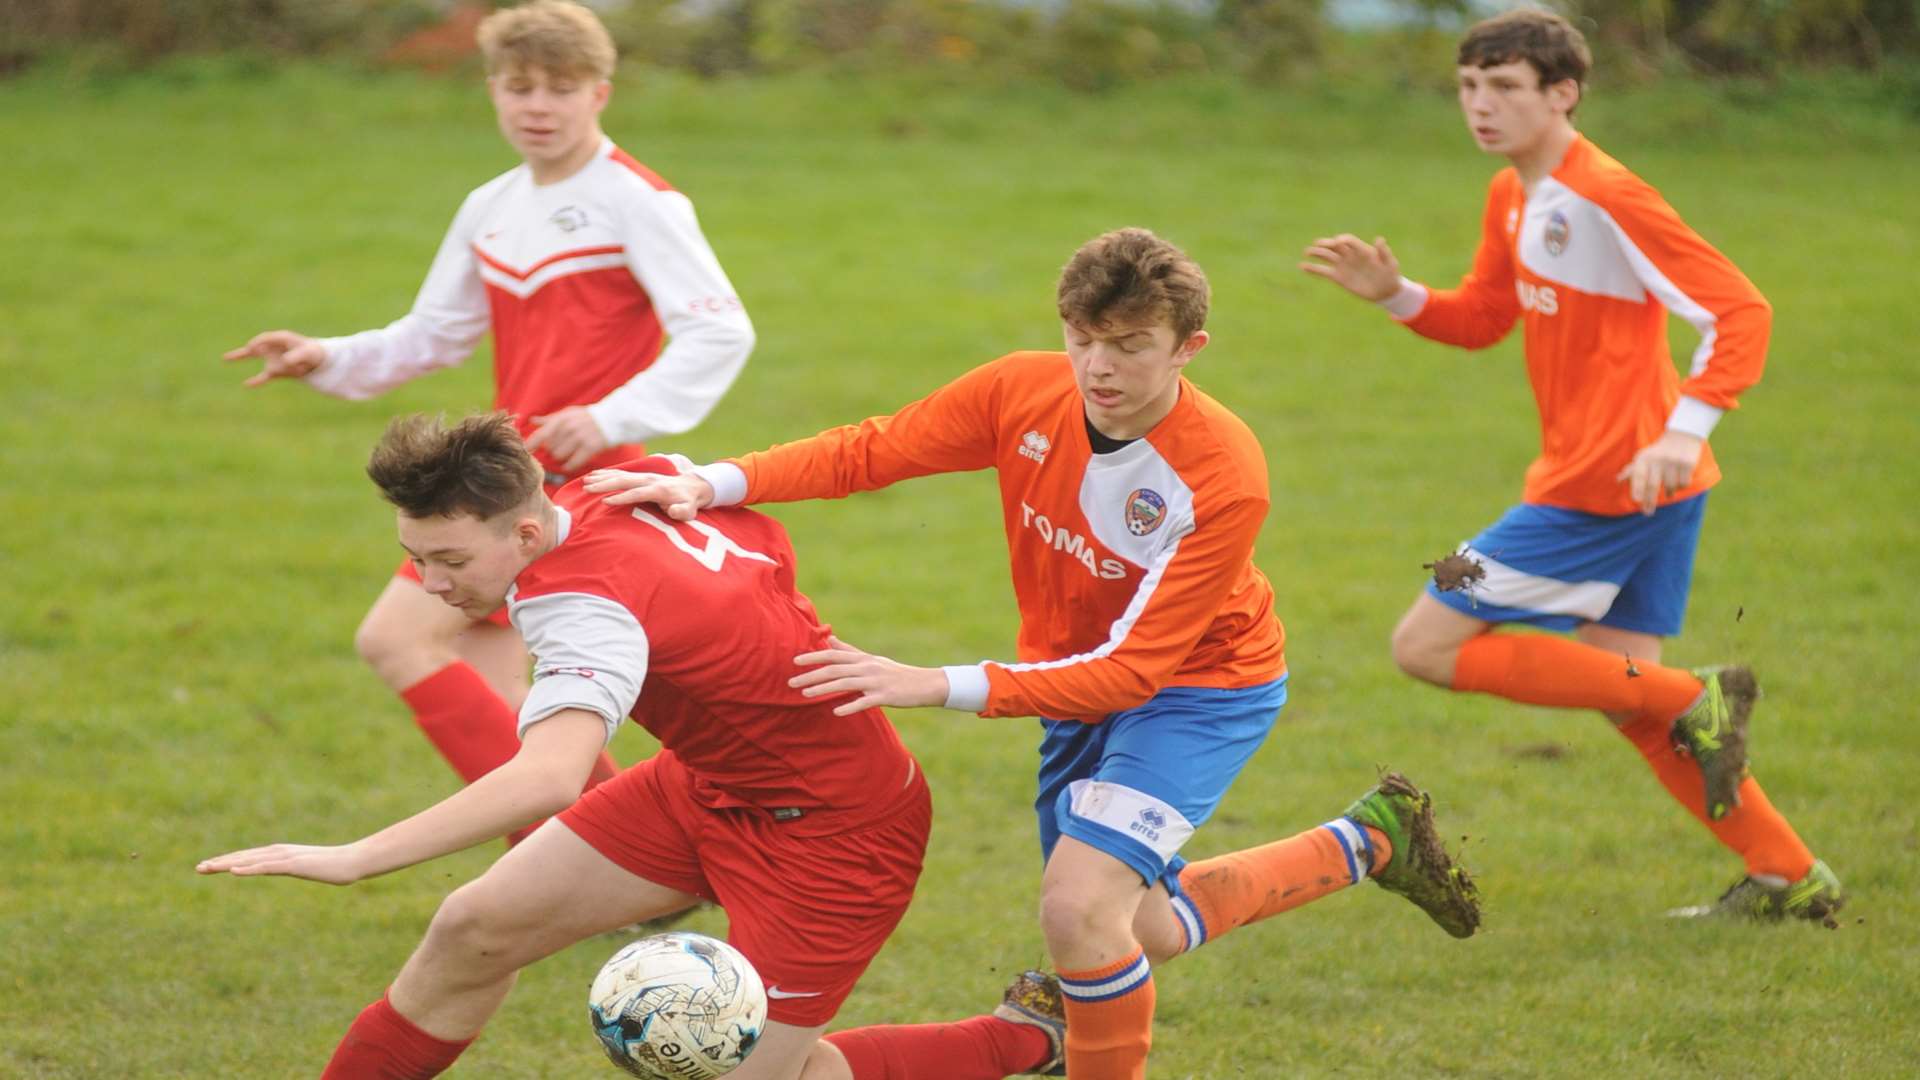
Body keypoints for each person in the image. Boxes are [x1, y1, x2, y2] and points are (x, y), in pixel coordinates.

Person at [586, 227, 1480, 1080]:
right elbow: (875, 449)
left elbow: (1138, 670)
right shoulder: (1024, 391)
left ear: (1188, 348)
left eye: (1131, 344)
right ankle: (1365, 843)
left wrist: (932, 682)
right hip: (1068, 683)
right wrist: (709, 482)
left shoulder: (1221, 473)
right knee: (1140, 929)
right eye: (1084, 338)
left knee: (1079, 910)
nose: (1100, 366)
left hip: (1200, 689)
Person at [199, 413, 959, 1079]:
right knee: (472, 931)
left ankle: (1024, 1036)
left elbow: (552, 776)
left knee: (761, 1070)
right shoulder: (627, 482)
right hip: (701, 785)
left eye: (453, 562)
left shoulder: (580, 605)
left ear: (526, 532)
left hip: (835, 838)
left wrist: (357, 857)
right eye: (417, 556)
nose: (430, 584)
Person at [1298, 8, 1841, 923]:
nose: (1481, 105)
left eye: (1505, 87)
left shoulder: (1608, 195)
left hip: (1608, 486)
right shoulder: (1514, 195)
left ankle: (1697, 695)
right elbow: (1481, 316)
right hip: (1644, 489)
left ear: (1564, 93)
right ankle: (1790, 873)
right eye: (1470, 86)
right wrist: (1396, 294)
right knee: (1631, 703)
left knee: (1422, 641)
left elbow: (1740, 312)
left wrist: (1683, 427)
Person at [221, 0, 756, 828]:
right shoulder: (491, 205)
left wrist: (615, 414)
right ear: (493, 93)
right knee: (490, 669)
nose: (538, 107)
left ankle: (592, 852)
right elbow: (435, 333)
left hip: (571, 482)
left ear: (600, 94)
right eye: (519, 87)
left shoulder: (638, 201)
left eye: (560, 88)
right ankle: (604, 861)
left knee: (395, 640)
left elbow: (719, 328)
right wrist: (327, 356)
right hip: (510, 464)